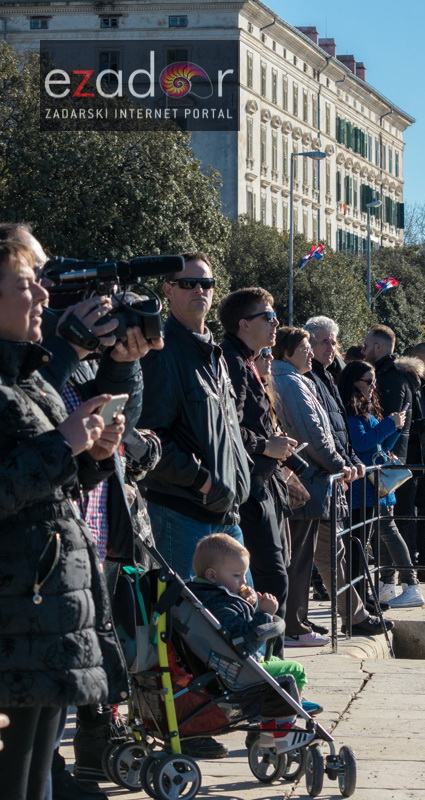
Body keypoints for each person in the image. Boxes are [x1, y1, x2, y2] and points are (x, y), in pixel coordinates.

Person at [0, 241, 129, 800]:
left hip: (49, 620)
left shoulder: (27, 375)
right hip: (17, 624)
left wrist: (91, 458)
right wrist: (64, 446)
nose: (44, 295)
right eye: (27, 283)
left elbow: (52, 491)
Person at [270, 327, 390, 641]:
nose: (318, 350)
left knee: (327, 552)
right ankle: (297, 626)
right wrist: (342, 465)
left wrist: (344, 461)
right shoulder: (291, 381)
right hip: (311, 479)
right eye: (311, 345)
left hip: (323, 478)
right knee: (303, 557)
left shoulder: (309, 377)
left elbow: (333, 431)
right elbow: (312, 436)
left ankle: (346, 616)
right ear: (289, 350)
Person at [140, 253, 251, 578]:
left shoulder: (214, 354)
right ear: (168, 290)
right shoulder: (160, 352)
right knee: (186, 626)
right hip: (182, 516)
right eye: (188, 284)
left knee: (241, 621)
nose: (198, 290)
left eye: (206, 283)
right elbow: (148, 440)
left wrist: (240, 474)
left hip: (228, 516)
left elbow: (225, 433)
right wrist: (205, 482)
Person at [187, 534, 320, 750]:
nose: (243, 582)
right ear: (212, 575)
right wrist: (264, 613)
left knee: (276, 660)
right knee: (295, 670)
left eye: (244, 575)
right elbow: (245, 640)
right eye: (237, 576)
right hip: (237, 667)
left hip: (214, 663)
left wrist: (245, 604)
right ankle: (281, 725)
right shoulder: (222, 604)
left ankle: (270, 726)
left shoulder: (197, 593)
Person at [217, 289, 296, 622]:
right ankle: (265, 661)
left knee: (275, 573)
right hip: (247, 485)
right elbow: (226, 425)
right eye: (268, 316)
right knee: (270, 577)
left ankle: (267, 658)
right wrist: (265, 445)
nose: (276, 322)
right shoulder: (232, 361)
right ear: (244, 324)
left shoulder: (245, 358)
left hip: (260, 482)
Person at [363, 330, 425, 583]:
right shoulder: (400, 379)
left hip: (424, 459)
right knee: (401, 518)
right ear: (415, 358)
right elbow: (401, 426)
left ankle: (423, 562)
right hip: (406, 459)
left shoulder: (423, 385)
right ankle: (402, 572)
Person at [336, 359, 424, 609]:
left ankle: (390, 586)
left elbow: (381, 445)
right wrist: (389, 425)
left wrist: (396, 427)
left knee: (376, 537)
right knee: (369, 539)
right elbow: (361, 443)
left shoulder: (367, 407)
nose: (373, 385)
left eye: (374, 380)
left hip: (375, 487)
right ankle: (401, 585)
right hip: (362, 487)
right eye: (368, 380)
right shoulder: (350, 412)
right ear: (353, 382)